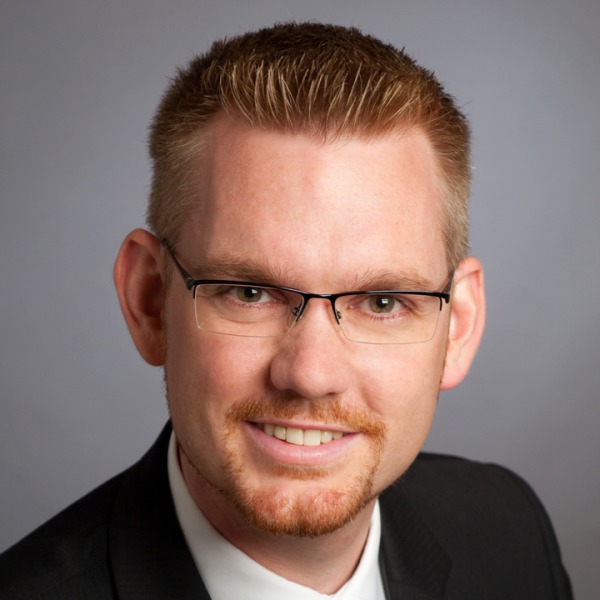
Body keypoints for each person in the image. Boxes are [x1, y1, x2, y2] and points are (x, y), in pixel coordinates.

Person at [0, 22, 572, 599]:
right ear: (149, 301)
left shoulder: (508, 528)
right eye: (249, 293)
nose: (311, 374)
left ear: (459, 327)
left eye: (382, 302)